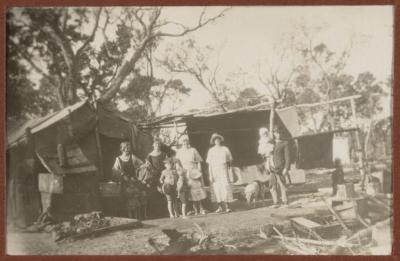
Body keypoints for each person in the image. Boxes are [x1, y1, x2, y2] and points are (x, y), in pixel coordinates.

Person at [175, 136, 207, 216]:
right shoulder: (179, 152)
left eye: (186, 142)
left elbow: (199, 161)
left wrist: (199, 170)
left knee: (197, 190)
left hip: (194, 171)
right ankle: (195, 210)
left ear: (188, 143)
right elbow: (177, 163)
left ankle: (201, 209)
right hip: (185, 172)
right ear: (181, 143)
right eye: (183, 143)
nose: (185, 144)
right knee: (190, 191)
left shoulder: (193, 150)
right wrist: (180, 171)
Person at [112, 142, 144, 217]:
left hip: (133, 181)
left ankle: (137, 216)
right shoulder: (118, 159)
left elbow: (141, 163)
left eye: (128, 148)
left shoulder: (132, 156)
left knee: (135, 197)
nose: (127, 150)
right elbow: (114, 169)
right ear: (122, 149)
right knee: (126, 198)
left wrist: (137, 168)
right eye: (125, 148)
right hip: (124, 181)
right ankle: (128, 217)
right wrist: (122, 174)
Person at [206, 133, 234, 213]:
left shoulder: (225, 149)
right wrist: (210, 175)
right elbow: (210, 164)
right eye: (215, 139)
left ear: (220, 140)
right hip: (215, 171)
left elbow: (230, 161)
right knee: (217, 188)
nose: (217, 141)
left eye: (218, 139)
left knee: (225, 187)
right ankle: (220, 206)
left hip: (223, 170)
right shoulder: (211, 150)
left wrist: (230, 170)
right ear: (213, 141)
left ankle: (227, 206)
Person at [269, 126, 290, 208]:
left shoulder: (284, 143)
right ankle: (275, 202)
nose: (278, 134)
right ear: (274, 133)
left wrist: (286, 168)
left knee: (282, 184)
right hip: (272, 167)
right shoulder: (271, 143)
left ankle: (285, 201)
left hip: (280, 167)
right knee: (272, 185)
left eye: (279, 132)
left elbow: (287, 157)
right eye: (276, 133)